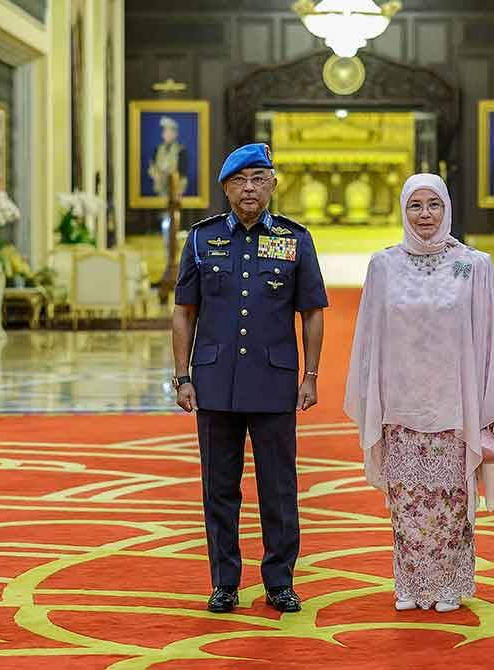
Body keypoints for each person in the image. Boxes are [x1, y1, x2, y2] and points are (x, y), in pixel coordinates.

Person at [344, 173, 494, 613]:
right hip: (401, 405)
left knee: (450, 500)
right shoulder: (383, 266)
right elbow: (369, 338)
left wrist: (486, 402)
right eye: (416, 205)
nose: (424, 214)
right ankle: (410, 584)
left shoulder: (473, 265)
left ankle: (448, 585)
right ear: (403, 210)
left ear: (447, 209)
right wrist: (372, 398)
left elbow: (489, 336)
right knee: (406, 500)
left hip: (453, 405)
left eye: (433, 205)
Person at [171, 143, 328, 614]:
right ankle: (225, 581)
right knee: (218, 487)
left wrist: (311, 375)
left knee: (278, 488)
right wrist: (182, 377)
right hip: (216, 382)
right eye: (240, 181)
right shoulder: (201, 239)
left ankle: (279, 580)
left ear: (274, 185)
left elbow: (312, 313)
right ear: (225, 188)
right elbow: (184, 312)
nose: (250, 189)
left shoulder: (295, 239)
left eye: (259, 178)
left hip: (274, 381)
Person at [149, 116, 188, 197]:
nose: (166, 134)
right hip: (159, 188)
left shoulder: (181, 150)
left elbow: (182, 173)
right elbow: (152, 166)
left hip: (176, 189)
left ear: (175, 134)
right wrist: (155, 174)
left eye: (169, 132)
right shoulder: (158, 149)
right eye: (165, 132)